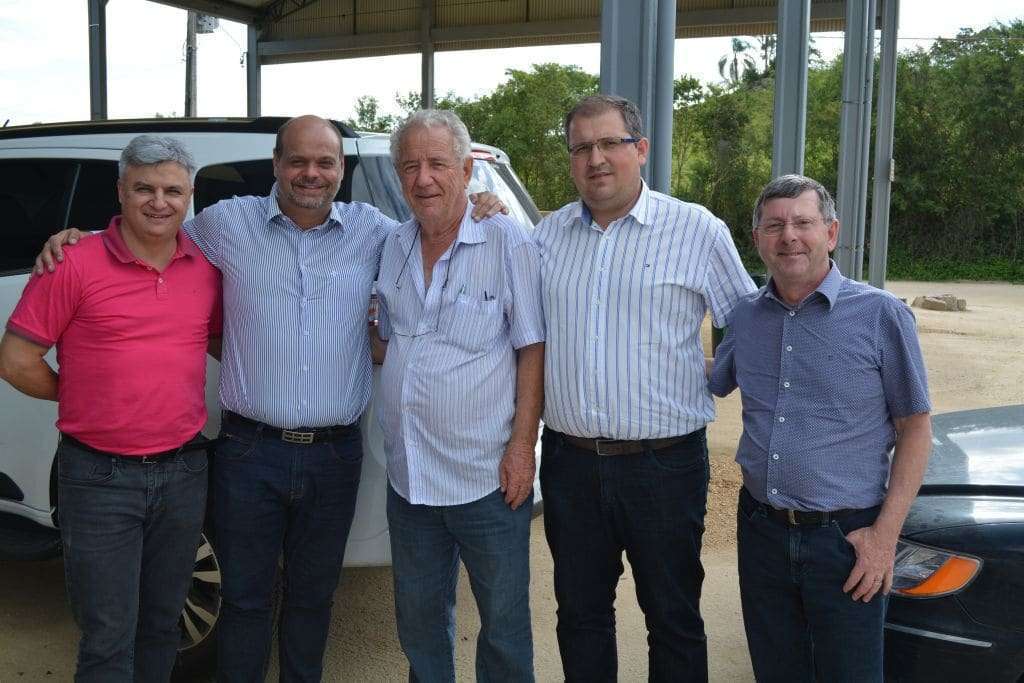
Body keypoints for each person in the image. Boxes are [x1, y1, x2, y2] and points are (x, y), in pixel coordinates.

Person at [33, 115, 506, 683]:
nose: (312, 173)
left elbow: (436, 227)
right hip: (248, 451)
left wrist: (485, 206)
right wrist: (77, 237)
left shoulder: (376, 231)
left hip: (334, 455)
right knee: (246, 602)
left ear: (340, 169)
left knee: (313, 599)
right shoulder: (223, 225)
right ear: (277, 164)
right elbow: (151, 236)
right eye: (298, 161)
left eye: (325, 162)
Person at [531, 94, 755, 682]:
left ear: (641, 150)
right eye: (581, 147)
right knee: (579, 616)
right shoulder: (545, 237)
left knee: (673, 616)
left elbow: (749, 323)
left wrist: (714, 376)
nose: (596, 159)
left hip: (664, 466)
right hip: (570, 464)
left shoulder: (696, 229)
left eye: (610, 144)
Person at [0, 135, 221, 682]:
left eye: (172, 189)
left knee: (162, 625)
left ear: (189, 195)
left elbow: (223, 344)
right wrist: (84, 393)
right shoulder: (72, 261)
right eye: (144, 187)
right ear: (120, 191)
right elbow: (16, 359)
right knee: (107, 637)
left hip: (183, 471)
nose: (158, 201)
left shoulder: (204, 269)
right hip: (99, 477)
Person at [709, 174, 933, 682]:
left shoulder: (881, 315)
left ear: (830, 233)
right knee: (776, 671)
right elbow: (712, 379)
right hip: (762, 531)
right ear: (758, 239)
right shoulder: (744, 316)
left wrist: (883, 539)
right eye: (775, 225)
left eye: (803, 223)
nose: (789, 236)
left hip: (847, 540)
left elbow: (916, 429)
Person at [373, 109, 544, 682]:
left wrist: (522, 448)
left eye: (438, 164)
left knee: (502, 625)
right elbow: (392, 341)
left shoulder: (506, 240)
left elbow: (532, 349)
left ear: (467, 169)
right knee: (419, 623)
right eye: (411, 166)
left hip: (486, 479)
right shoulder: (392, 245)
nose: (424, 178)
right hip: (411, 479)